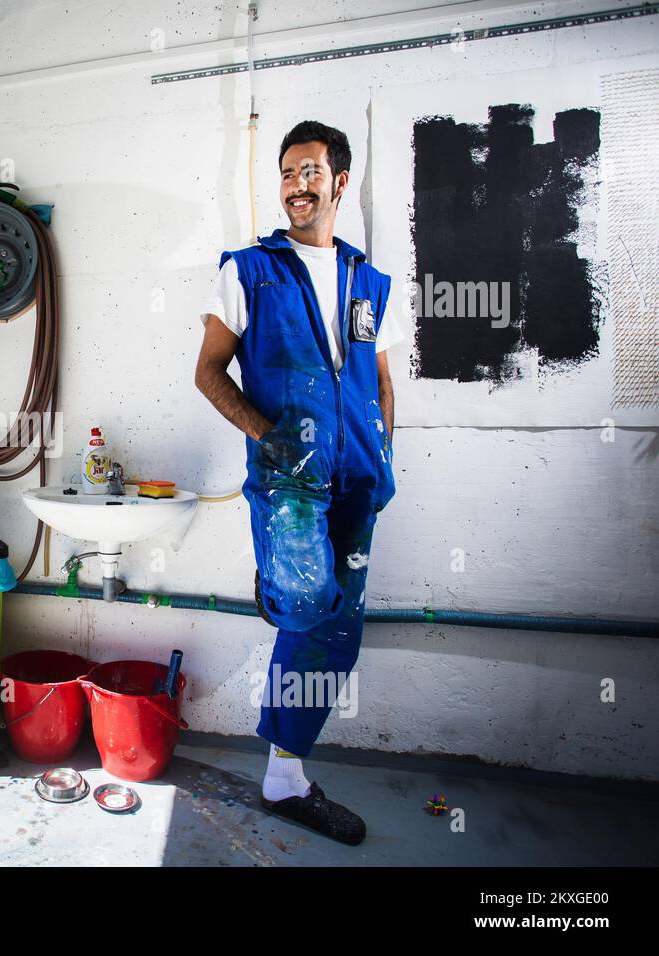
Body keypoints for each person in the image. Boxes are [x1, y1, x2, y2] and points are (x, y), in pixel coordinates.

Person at [195, 120, 407, 845]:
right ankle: (282, 587)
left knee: (338, 634)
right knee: (310, 606)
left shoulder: (369, 281)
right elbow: (208, 371)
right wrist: (269, 439)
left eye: (311, 172)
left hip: (357, 479)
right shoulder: (249, 269)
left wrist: (384, 454)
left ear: (339, 182)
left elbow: (380, 377)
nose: (296, 185)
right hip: (292, 483)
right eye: (287, 173)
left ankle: (286, 777)